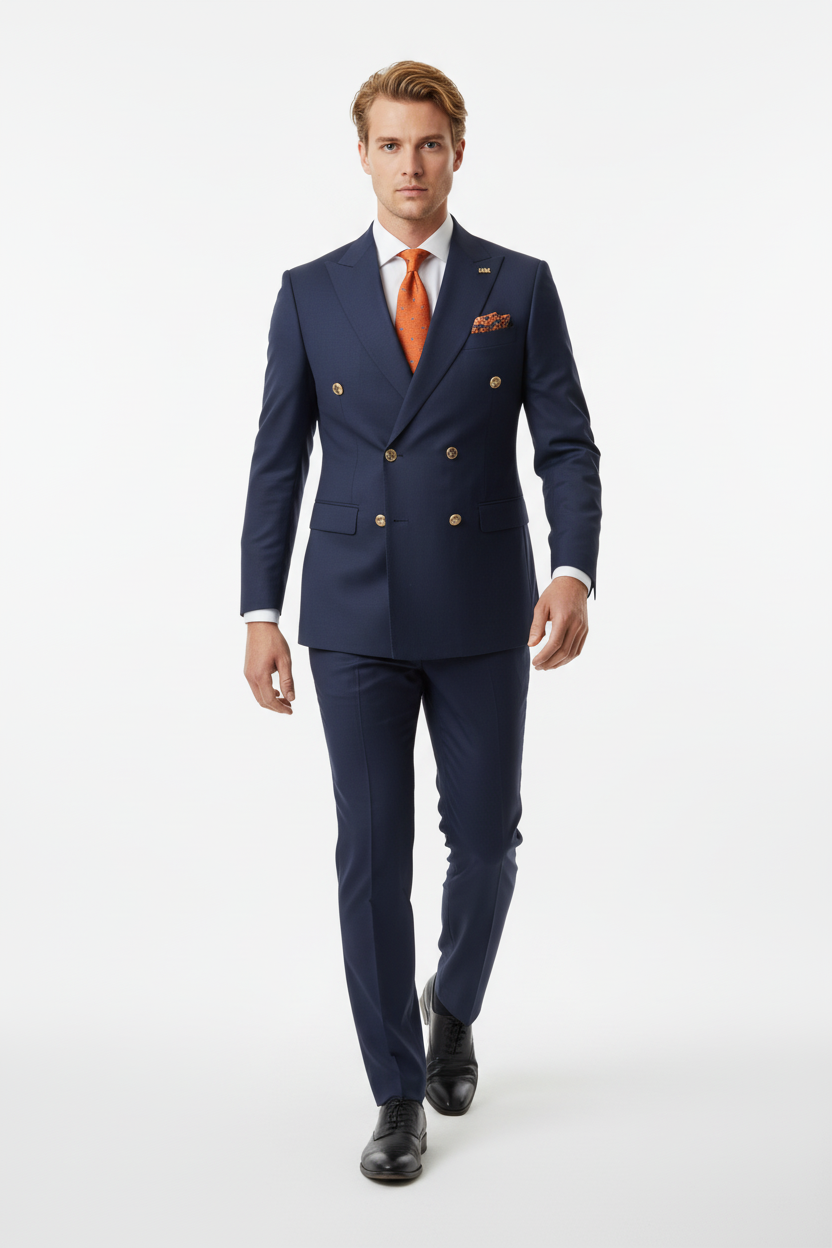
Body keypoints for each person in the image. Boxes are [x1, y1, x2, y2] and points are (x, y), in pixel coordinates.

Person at [240, 60, 601, 1182]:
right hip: (350, 611)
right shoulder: (310, 291)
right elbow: (277, 461)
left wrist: (574, 569)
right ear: (362, 155)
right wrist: (259, 608)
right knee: (370, 854)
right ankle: (396, 1091)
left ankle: (456, 1003)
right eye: (391, 145)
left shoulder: (517, 284)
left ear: (457, 153)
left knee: (486, 843)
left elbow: (566, 443)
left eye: (429, 144)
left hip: (484, 604)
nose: (411, 165)